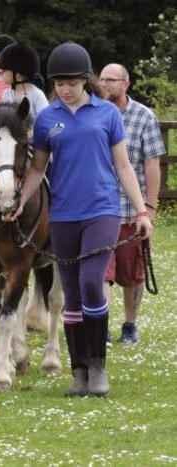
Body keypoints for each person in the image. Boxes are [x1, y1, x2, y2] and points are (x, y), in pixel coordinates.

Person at [3, 42, 153, 397]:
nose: (65, 89)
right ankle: (79, 372)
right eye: (59, 83)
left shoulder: (107, 115)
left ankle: (98, 367)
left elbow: (123, 166)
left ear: (85, 81)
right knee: (70, 294)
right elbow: (38, 168)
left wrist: (143, 211)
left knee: (90, 282)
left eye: (71, 82)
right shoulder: (47, 120)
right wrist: (21, 201)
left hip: (102, 210)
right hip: (64, 214)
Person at [99, 63, 165, 344]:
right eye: (101, 80)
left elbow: (152, 165)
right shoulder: (93, 114)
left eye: (111, 80)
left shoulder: (143, 117)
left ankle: (129, 324)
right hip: (101, 209)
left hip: (131, 210)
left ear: (126, 83)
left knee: (132, 273)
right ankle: (99, 325)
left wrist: (149, 208)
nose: (105, 85)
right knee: (101, 271)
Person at [0, 43, 49, 120]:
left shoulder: (37, 95)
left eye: (4, 69)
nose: (0, 72)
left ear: (18, 75)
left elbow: (46, 121)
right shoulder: (6, 94)